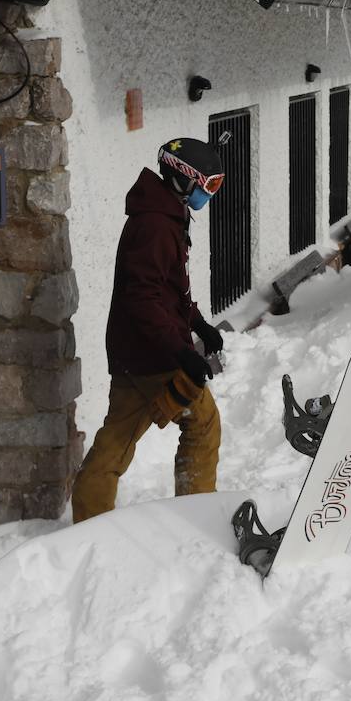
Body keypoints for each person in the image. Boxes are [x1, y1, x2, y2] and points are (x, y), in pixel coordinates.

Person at [72, 138, 227, 522]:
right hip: (152, 353)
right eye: (208, 186)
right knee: (202, 424)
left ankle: (88, 522)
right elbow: (142, 299)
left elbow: (169, 287)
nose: (209, 196)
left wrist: (197, 323)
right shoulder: (156, 225)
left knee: (117, 439)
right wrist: (181, 353)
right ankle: (197, 515)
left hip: (134, 351)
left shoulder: (163, 214)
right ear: (183, 180)